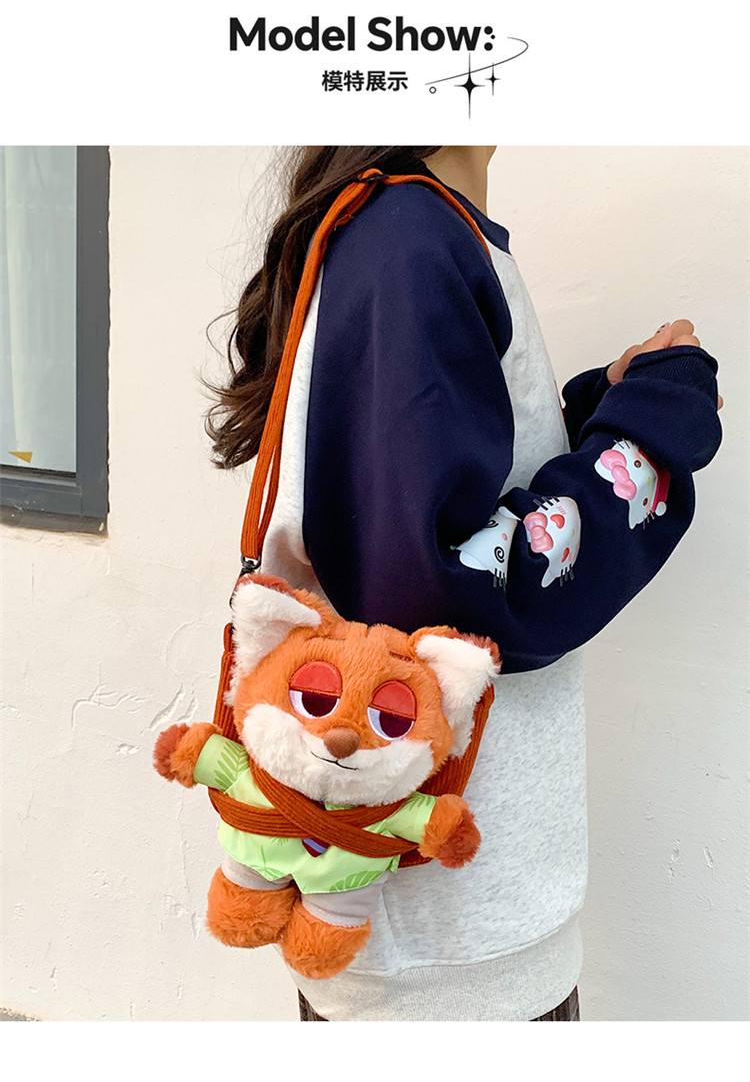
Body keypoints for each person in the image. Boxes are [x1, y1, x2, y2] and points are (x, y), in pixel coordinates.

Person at [206, 146, 722, 1021]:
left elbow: (441, 509)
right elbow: (450, 593)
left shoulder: (419, 232)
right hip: (449, 955)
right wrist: (647, 435)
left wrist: (608, 406)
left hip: (450, 928)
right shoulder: (409, 240)